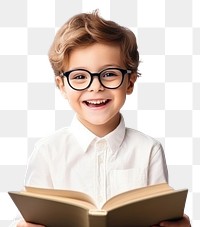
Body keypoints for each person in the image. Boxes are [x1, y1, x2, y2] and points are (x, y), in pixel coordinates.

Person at [15, 10, 191, 227]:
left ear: (130, 83)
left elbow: (161, 215)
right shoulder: (47, 151)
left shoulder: (149, 150)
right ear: (62, 86)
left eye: (109, 74)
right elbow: (32, 216)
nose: (95, 86)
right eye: (79, 76)